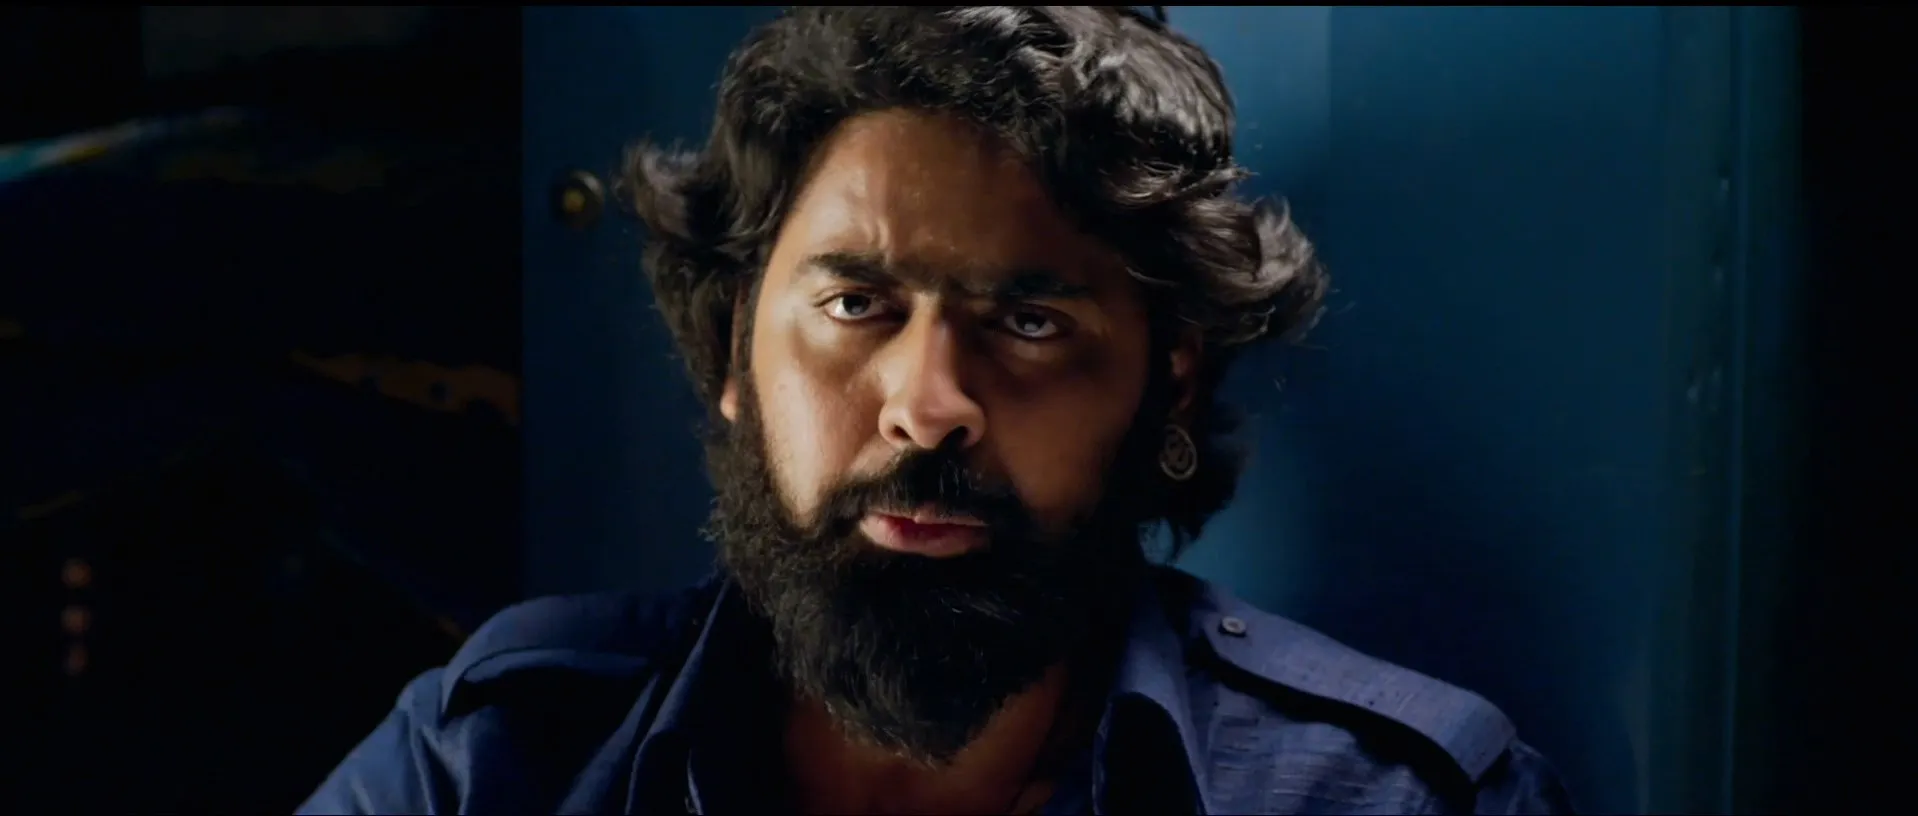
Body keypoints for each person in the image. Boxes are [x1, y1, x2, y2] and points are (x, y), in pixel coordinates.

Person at [300, 7, 1574, 815]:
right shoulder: (493, 758)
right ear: (733, 349)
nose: (928, 407)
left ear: (1169, 380)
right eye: (857, 305)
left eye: (1030, 324)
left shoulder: (1398, 797)